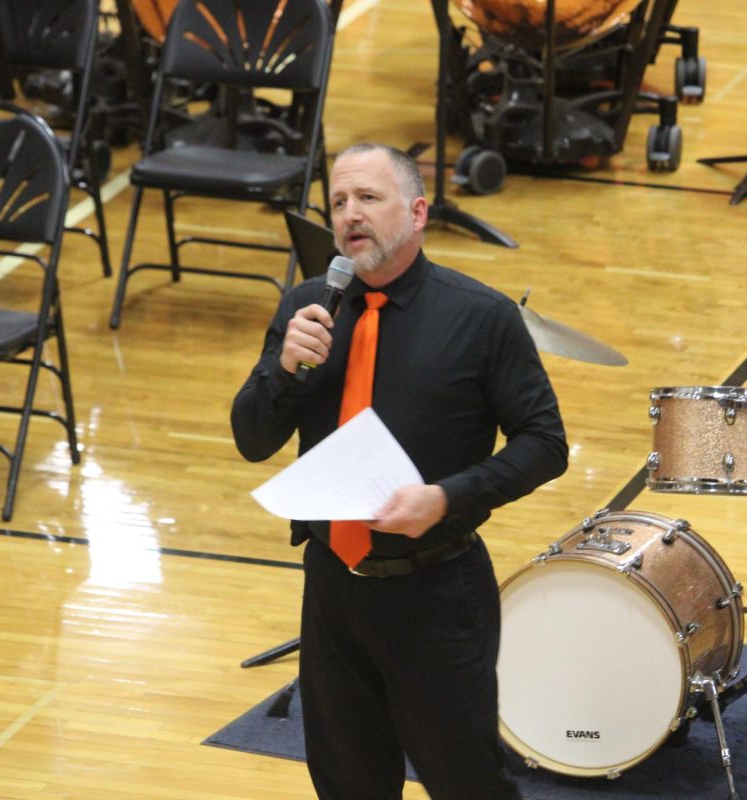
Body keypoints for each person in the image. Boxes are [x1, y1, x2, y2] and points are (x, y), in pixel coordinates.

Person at [231, 143, 568, 800]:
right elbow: (252, 438)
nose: (350, 214)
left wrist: (447, 497)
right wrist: (283, 369)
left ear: (417, 213)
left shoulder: (480, 317)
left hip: (436, 597)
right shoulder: (310, 307)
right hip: (332, 590)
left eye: (368, 198)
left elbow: (545, 442)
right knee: (346, 783)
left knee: (466, 783)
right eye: (338, 202)